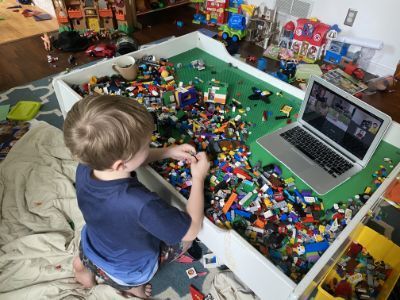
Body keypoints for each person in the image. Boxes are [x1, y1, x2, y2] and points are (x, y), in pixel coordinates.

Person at [63, 95, 210, 299]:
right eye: (146, 145)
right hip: (129, 271)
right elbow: (191, 230)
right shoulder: (141, 203)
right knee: (184, 243)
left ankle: (82, 270)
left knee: (85, 261)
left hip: (90, 246)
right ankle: (134, 290)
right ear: (120, 164)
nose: (149, 146)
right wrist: (198, 177)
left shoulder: (85, 167)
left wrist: (167, 151)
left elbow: (130, 159)